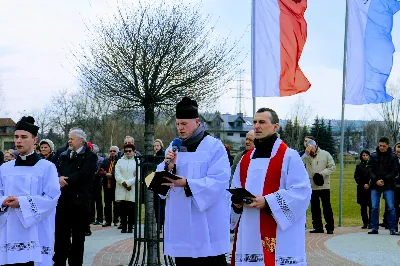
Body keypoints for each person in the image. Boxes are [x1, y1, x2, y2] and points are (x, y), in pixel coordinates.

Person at [230, 108, 311, 266]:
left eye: (262, 122)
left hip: (280, 232)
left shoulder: (289, 156)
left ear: (275, 127)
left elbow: (301, 193)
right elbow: (235, 190)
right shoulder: (245, 159)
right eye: (254, 122)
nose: (257, 126)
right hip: (250, 229)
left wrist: (268, 202)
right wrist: (236, 203)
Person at [155, 97, 231, 266]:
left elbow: (219, 182)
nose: (180, 128)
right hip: (180, 224)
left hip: (206, 224)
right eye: (177, 124)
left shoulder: (214, 146)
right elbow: (156, 182)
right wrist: (169, 168)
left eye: (184, 124)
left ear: (197, 121)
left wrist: (187, 184)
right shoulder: (173, 148)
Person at [0, 116, 60, 265]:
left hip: (35, 230)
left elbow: (51, 198)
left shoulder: (47, 167)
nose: (18, 141)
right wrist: (3, 200)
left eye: (24, 137)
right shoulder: (4, 168)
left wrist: (21, 202)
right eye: (16, 137)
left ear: (34, 140)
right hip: (9, 230)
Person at [53, 128, 98, 266]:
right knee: (61, 236)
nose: (69, 141)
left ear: (81, 140)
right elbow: (56, 169)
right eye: (69, 139)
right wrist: (58, 178)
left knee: (78, 238)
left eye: (72, 139)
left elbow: (85, 175)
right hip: (63, 202)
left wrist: (64, 180)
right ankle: (59, 262)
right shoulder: (64, 155)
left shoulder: (90, 156)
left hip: (80, 203)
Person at [302, 139, 336, 234]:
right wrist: (306, 154)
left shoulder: (325, 154)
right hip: (312, 186)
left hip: (324, 185)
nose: (310, 150)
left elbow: (332, 167)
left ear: (315, 146)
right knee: (314, 208)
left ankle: (330, 227)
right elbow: (300, 164)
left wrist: (321, 174)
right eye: (307, 148)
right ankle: (318, 227)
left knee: (326, 207)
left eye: (311, 148)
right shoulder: (307, 156)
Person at [367, 136, 399, 235]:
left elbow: (395, 171)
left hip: (388, 184)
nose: (381, 148)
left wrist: (384, 179)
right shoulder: (373, 156)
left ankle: (392, 228)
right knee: (374, 207)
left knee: (390, 207)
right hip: (375, 185)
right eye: (380, 145)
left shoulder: (393, 157)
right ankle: (374, 227)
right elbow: (369, 169)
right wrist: (376, 180)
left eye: (383, 146)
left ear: (388, 146)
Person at [115, 143, 137, 233]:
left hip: (131, 187)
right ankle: (123, 226)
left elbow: (138, 175)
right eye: (126, 151)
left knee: (131, 208)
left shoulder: (137, 161)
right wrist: (123, 182)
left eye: (129, 151)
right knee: (122, 209)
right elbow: (117, 173)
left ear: (133, 151)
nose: (128, 152)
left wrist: (128, 183)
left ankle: (130, 226)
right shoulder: (120, 161)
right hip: (121, 187)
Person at [100, 146, 120, 227]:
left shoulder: (119, 161)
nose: (112, 152)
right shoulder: (105, 161)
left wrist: (113, 175)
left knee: (116, 204)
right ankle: (108, 221)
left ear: (117, 152)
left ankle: (116, 220)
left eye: (114, 151)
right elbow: (100, 170)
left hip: (116, 186)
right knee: (107, 204)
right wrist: (105, 174)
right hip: (106, 185)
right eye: (111, 151)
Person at [354, 150, 372, 229]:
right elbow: (356, 176)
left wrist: (369, 184)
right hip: (361, 188)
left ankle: (371, 222)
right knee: (363, 207)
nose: (365, 157)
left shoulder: (371, 165)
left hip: (370, 188)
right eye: (363, 155)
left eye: (366, 155)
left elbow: (373, 176)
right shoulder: (359, 166)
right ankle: (365, 222)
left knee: (371, 206)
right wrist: (362, 183)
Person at [153, 139, 166, 230]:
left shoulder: (162, 156)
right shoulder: (155, 156)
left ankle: (161, 224)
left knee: (161, 204)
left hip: (162, 183)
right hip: (155, 183)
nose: (156, 147)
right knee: (157, 205)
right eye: (155, 146)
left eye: (158, 145)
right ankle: (159, 223)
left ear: (161, 146)